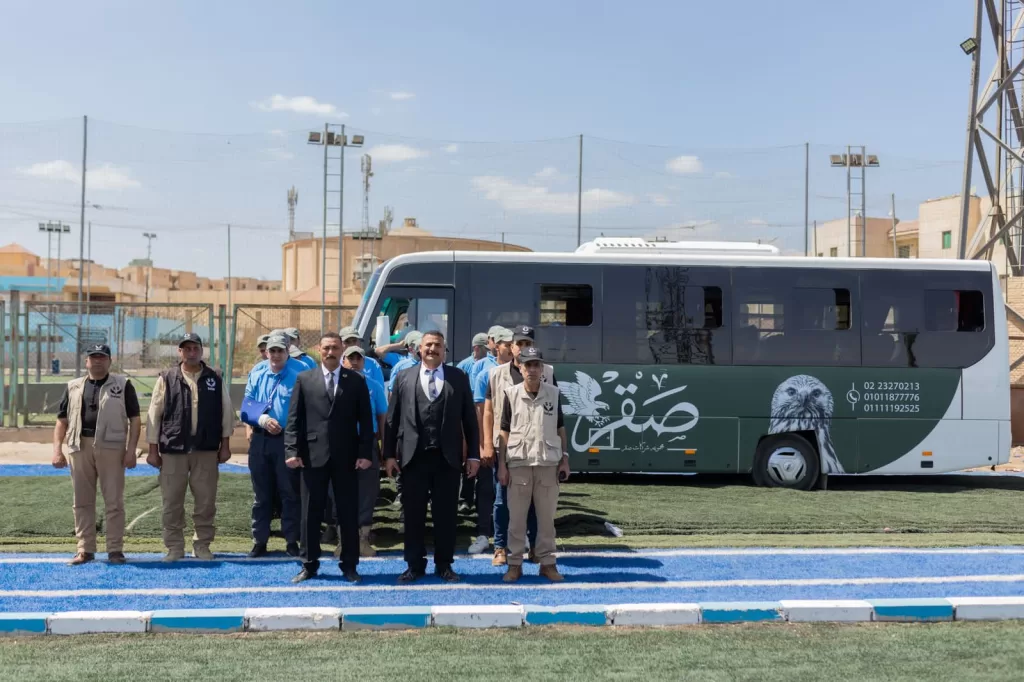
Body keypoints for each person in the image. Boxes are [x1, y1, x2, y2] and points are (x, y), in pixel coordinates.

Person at [383, 329, 480, 583]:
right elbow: (392, 420)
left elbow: (470, 420)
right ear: (419, 349)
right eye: (428, 345)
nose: (432, 349)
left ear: (444, 350)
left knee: (446, 516)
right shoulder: (403, 377)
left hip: (447, 459)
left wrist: (473, 456)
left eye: (437, 345)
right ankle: (414, 565)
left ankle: (444, 564)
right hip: (413, 458)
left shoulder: (458, 377)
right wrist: (389, 455)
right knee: (413, 516)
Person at [284, 332, 374, 583]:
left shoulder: (355, 380)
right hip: (312, 456)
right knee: (310, 513)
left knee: (347, 513)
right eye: (326, 348)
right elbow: (294, 420)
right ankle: (309, 564)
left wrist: (365, 453)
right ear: (319, 349)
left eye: (335, 348)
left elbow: (366, 421)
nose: (330, 352)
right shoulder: (305, 379)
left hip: (347, 457)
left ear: (342, 349)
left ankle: (350, 565)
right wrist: (292, 451)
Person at [145, 333, 234, 562]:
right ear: (180, 352)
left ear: (202, 351)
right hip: (173, 450)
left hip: (206, 450)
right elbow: (154, 414)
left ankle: (202, 545)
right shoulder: (167, 378)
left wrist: (225, 445)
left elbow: (226, 412)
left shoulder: (215, 377)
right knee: (172, 502)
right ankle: (174, 547)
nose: (191, 352)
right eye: (187, 349)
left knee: (205, 502)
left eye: (195, 348)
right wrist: (152, 450)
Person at [51, 344, 141, 566]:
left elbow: (135, 419)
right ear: (86, 361)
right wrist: (57, 450)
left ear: (110, 361)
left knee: (114, 501)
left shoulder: (123, 385)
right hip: (79, 447)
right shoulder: (73, 386)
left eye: (102, 357)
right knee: (81, 501)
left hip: (112, 447)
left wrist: (131, 450)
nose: (98, 361)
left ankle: (115, 550)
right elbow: (61, 421)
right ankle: (85, 549)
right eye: (93, 357)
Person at [481, 324, 557, 565]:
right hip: (507, 447)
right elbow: (488, 412)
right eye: (519, 343)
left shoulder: (548, 372)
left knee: (536, 501)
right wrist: (487, 443)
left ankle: (535, 547)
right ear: (511, 346)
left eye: (528, 344)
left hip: (537, 448)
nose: (523, 348)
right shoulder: (496, 374)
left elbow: (556, 414)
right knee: (502, 500)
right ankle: (500, 547)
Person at [497, 346, 570, 582]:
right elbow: (504, 431)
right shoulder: (511, 394)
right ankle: (514, 564)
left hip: (547, 464)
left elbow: (560, 427)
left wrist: (565, 458)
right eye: (528, 365)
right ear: (521, 367)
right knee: (516, 520)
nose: (532, 369)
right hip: (518, 464)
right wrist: (501, 465)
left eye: (536, 365)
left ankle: (547, 563)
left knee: (546, 520)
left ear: (542, 368)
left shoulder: (554, 394)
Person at [240, 333, 301, 558]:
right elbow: (246, 408)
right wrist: (263, 419)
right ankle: (260, 541)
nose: (275, 355)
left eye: (280, 351)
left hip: (287, 440)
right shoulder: (257, 373)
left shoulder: (299, 375)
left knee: (289, 492)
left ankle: (292, 541)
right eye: (272, 351)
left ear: (287, 352)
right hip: (261, 439)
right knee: (262, 494)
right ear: (266, 352)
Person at [467, 326, 514, 556]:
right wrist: (482, 444)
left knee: (514, 491)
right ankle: (483, 535)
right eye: (506, 344)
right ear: (497, 346)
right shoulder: (484, 372)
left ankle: (514, 535)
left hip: (516, 445)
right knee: (486, 490)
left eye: (513, 344)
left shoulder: (521, 370)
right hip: (492, 442)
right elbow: (479, 411)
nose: (510, 348)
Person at [339, 345, 388, 557]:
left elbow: (382, 417)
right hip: (342, 445)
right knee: (341, 491)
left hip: (368, 443)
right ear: (343, 361)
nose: (354, 362)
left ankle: (363, 539)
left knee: (367, 491)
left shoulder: (374, 386)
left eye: (358, 358)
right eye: (350, 358)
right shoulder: (335, 384)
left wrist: (385, 449)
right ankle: (344, 540)